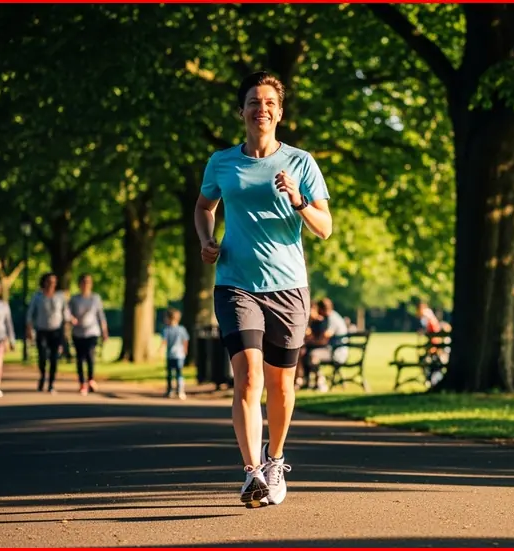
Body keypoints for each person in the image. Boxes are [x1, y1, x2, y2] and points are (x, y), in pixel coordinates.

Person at [194, 71, 333, 508]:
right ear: (242, 112)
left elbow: (325, 228)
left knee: (282, 387)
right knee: (249, 377)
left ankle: (275, 460)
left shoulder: (301, 162)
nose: (262, 108)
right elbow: (204, 207)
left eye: (270, 102)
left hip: (289, 287)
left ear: (280, 113)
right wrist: (206, 239)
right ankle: (252, 472)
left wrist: (299, 200)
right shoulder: (221, 162)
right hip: (236, 284)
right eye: (254, 101)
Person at [27, 273, 73, 393]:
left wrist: (68, 324)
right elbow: (30, 314)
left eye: (53, 282)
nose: (51, 284)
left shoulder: (60, 296)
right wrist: (29, 329)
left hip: (56, 331)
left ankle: (51, 383)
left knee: (54, 358)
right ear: (44, 282)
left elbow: (65, 312)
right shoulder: (37, 297)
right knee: (42, 356)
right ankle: (42, 376)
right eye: (49, 281)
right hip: (41, 330)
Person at [69, 273, 109, 395]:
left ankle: (91, 379)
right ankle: (82, 383)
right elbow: (67, 312)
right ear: (79, 284)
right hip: (78, 332)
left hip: (93, 332)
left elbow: (100, 315)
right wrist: (71, 319)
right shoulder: (74, 299)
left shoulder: (95, 298)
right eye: (84, 282)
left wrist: (104, 331)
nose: (86, 284)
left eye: (88, 282)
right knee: (80, 358)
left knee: (90, 356)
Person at [303, 298, 350, 392]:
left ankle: (320, 382)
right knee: (308, 352)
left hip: (337, 352)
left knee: (313, 355)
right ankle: (309, 381)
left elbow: (324, 340)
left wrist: (309, 342)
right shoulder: (333, 316)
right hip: (335, 350)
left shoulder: (332, 319)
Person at [158, 308, 190, 400]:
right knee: (179, 373)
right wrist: (185, 350)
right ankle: (180, 391)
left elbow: (164, 341)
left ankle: (170, 391)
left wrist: (160, 349)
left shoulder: (166, 330)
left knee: (170, 374)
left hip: (170, 355)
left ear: (169, 318)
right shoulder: (182, 329)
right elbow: (185, 340)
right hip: (180, 355)